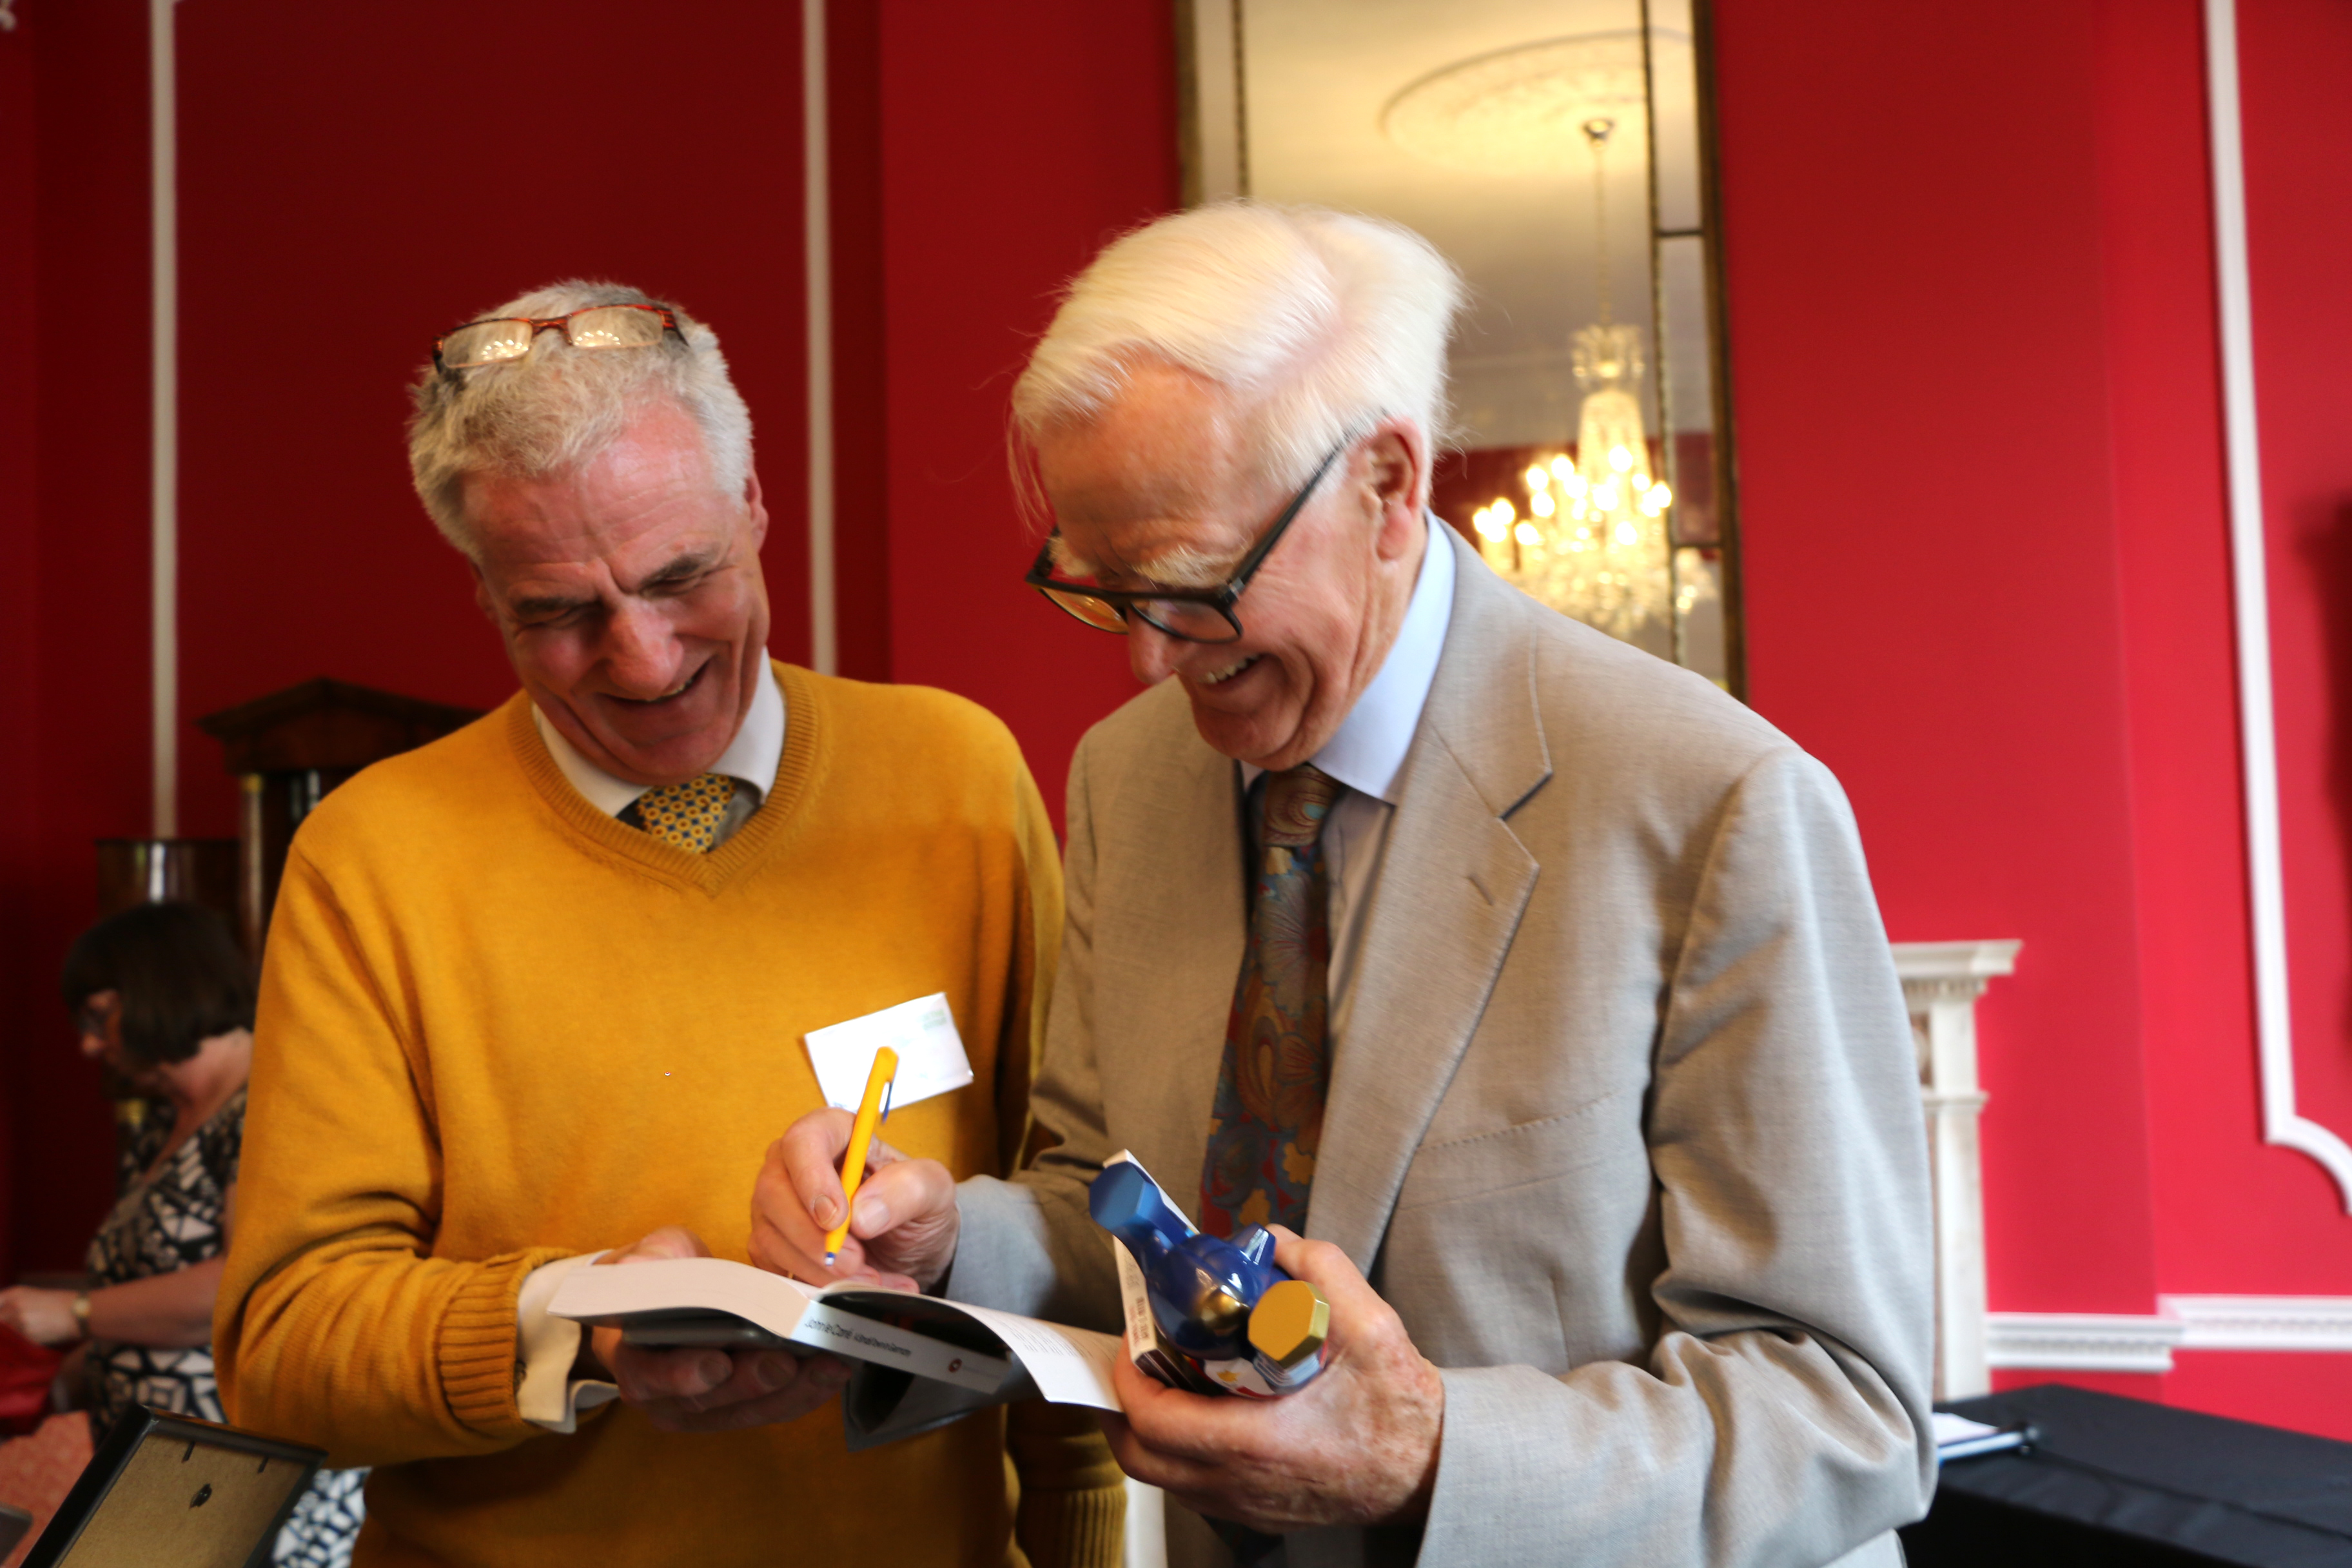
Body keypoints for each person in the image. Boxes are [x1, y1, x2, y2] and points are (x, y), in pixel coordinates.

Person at [754, 205, 1937, 1567]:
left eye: (1194, 583)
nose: (1150, 660)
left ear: (1385, 484)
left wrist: (1430, 1456)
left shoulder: (1713, 799)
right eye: (1106, 588)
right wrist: (946, 1239)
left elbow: (1842, 1408)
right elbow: (1117, 1202)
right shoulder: (1126, 778)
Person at [215, 282, 1122, 1568]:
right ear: (484, 592)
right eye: (558, 611)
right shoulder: (369, 858)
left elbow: (1070, 1242)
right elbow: (281, 1348)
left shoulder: (957, 780)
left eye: (681, 576)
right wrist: (577, 1326)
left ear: (754, 507)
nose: (643, 659)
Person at [0, 901, 364, 1565]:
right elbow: (143, 1311)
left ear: (159, 985)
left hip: (243, 1472)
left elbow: (237, 1285)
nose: (89, 1044)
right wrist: (46, 1387)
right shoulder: (162, 1125)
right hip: (168, 1478)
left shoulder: (269, 1102)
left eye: (98, 1015)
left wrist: (71, 1311)